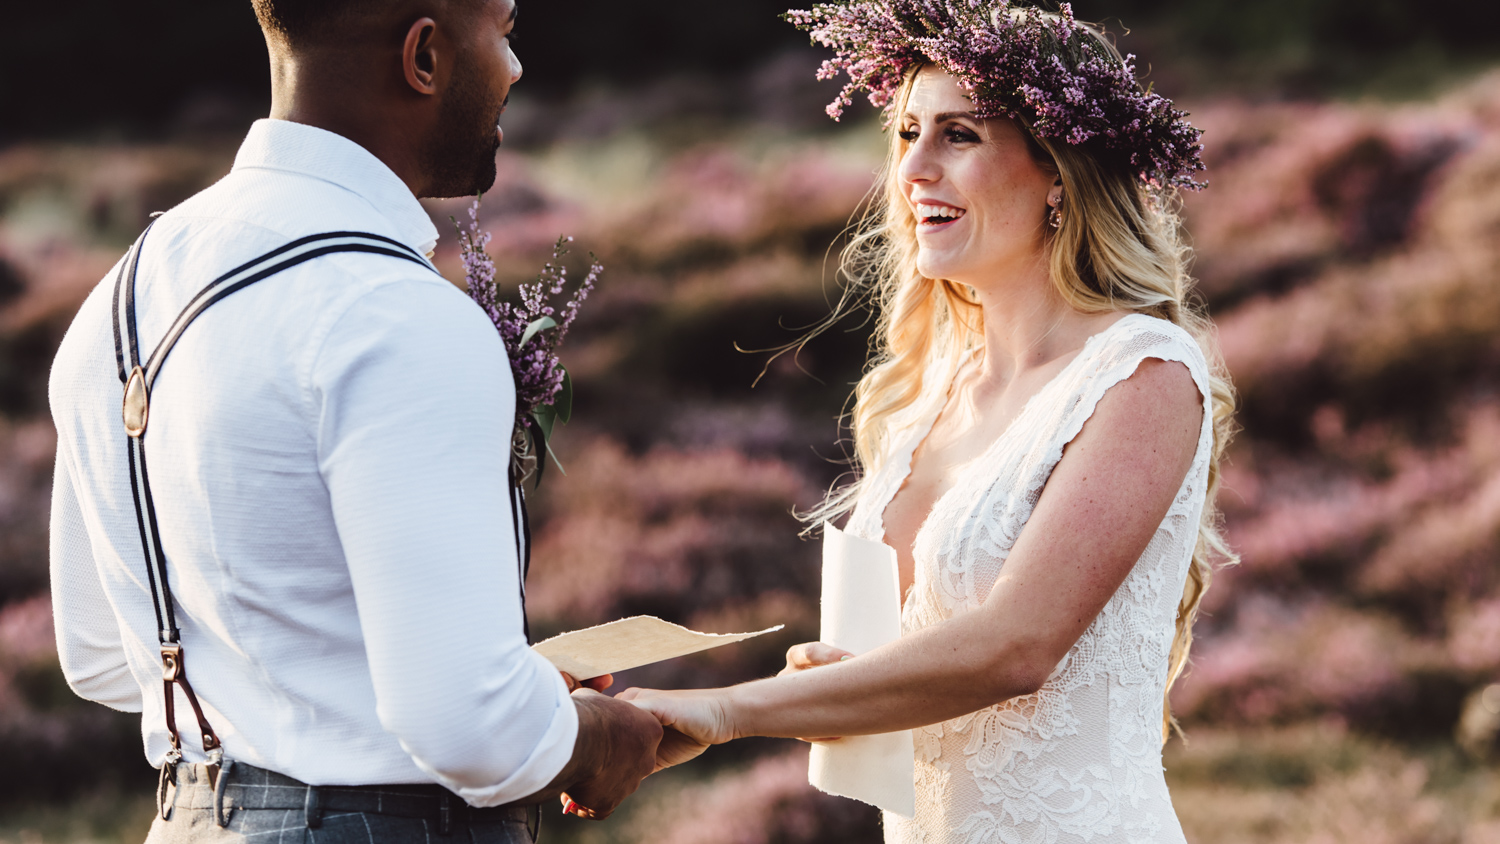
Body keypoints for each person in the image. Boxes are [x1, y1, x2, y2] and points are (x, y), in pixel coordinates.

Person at [620, 3, 1238, 842]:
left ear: (1059, 170)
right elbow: (938, 660)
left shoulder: (1144, 374)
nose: (913, 168)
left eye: (960, 136)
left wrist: (729, 710)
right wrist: (844, 681)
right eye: (908, 132)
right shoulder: (932, 396)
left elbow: (1016, 646)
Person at [47, 1, 662, 842]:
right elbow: (469, 729)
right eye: (504, 30)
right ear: (424, 55)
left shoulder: (115, 300)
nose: (516, 68)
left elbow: (100, 658)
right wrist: (593, 737)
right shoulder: (395, 317)